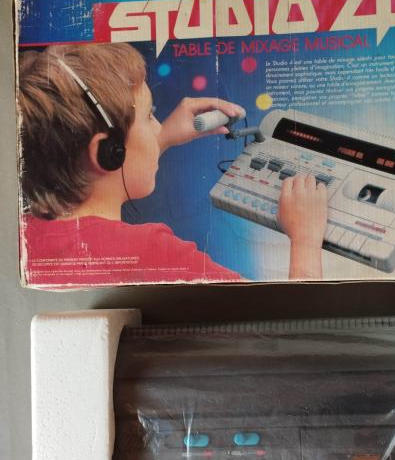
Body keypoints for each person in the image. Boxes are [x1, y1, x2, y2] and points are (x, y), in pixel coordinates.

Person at [18, 43, 327, 287]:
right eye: (149, 116)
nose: (157, 126)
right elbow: (279, 324)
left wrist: (162, 138)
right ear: (109, 152)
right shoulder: (152, 253)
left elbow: (103, 176)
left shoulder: (22, 238)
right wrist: (306, 238)